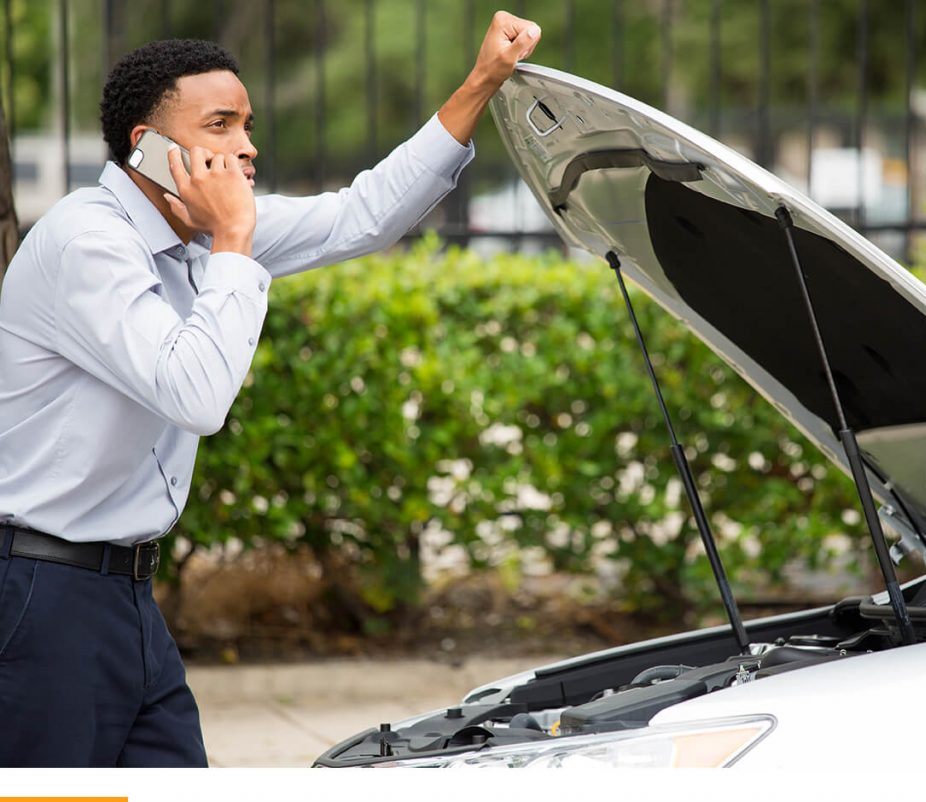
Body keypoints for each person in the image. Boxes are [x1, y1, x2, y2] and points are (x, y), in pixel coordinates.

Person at [0, 11, 540, 767]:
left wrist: (480, 83)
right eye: (220, 125)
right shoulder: (87, 242)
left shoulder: (195, 233)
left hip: (126, 598)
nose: (248, 147)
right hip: (42, 593)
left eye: (248, 124)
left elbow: (362, 215)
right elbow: (195, 395)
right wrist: (233, 242)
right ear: (147, 149)